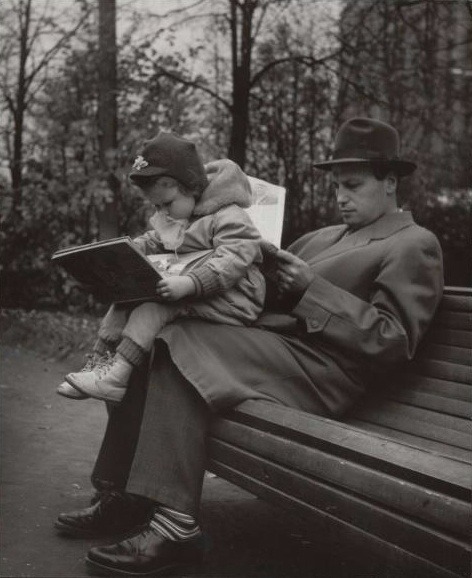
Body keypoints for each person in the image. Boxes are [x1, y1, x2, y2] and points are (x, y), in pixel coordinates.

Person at [55, 117, 444, 577]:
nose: (340, 196)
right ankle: (124, 496)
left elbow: (393, 340)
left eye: (353, 185)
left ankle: (176, 524)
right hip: (269, 347)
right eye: (337, 185)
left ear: (391, 182)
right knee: (155, 333)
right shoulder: (324, 236)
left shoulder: (414, 244)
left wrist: (309, 289)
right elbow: (257, 283)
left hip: (325, 372)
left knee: (180, 341)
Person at [56, 132, 265, 404]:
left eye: (166, 204)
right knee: (123, 302)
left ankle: (118, 375)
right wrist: (125, 253)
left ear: (191, 187)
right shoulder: (179, 213)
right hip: (194, 290)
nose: (163, 212)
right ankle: (98, 365)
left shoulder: (227, 214)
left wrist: (191, 283)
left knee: (153, 308)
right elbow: (154, 240)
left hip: (233, 297)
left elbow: (237, 253)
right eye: (157, 206)